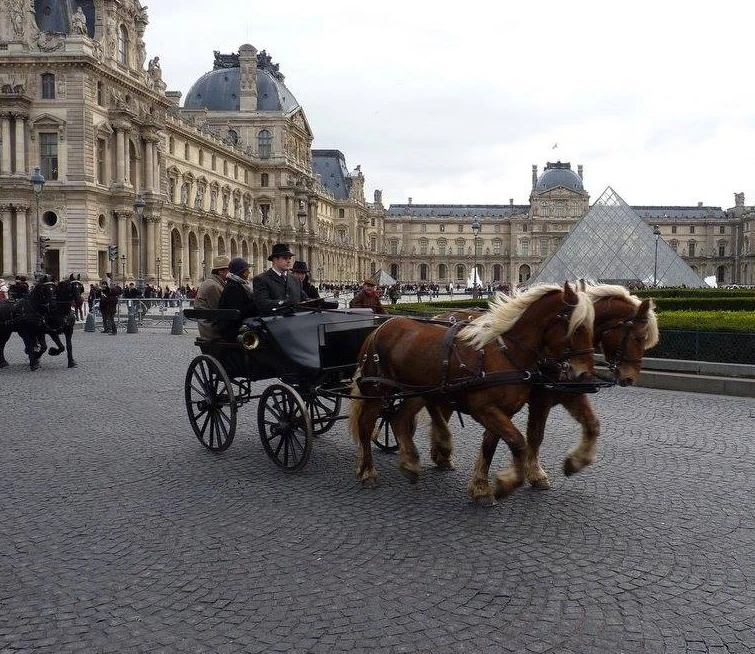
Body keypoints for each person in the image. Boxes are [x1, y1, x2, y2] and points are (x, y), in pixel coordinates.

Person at [252, 243, 306, 315]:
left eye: (289, 258)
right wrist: (283, 303)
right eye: (285, 258)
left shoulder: (295, 279)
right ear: (275, 260)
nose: (289, 261)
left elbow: (303, 299)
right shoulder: (261, 279)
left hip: (295, 321)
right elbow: (262, 303)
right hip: (273, 322)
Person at [217, 257, 256, 340]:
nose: (249, 272)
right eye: (247, 270)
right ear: (242, 272)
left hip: (237, 324)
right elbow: (240, 311)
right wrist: (256, 302)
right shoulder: (233, 288)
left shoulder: (238, 284)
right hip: (233, 329)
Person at [194, 255, 230, 340]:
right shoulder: (213, 286)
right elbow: (219, 309)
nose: (231, 272)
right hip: (212, 330)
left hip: (210, 325)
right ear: (221, 271)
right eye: (228, 270)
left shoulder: (214, 282)